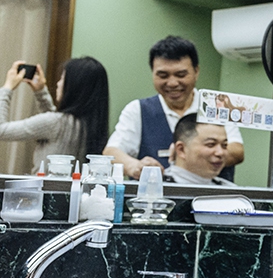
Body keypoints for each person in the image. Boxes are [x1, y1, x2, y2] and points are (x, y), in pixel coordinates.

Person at [103, 36, 243, 182]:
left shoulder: (216, 106)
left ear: (196, 72)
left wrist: (191, 153)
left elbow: (237, 150)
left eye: (181, 75)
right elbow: (111, 152)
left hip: (213, 194)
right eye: (163, 76)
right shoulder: (137, 110)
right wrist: (135, 166)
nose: (172, 83)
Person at [0, 58, 109, 173]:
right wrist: (40, 92)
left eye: (62, 79)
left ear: (73, 86)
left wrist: (7, 88)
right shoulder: (91, 125)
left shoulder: (56, 123)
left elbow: (2, 131)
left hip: (43, 184)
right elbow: (55, 125)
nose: (58, 84)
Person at [162, 114, 235, 187]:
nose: (220, 152)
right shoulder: (158, 187)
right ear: (181, 149)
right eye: (211, 144)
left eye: (224, 145)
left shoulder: (232, 191)